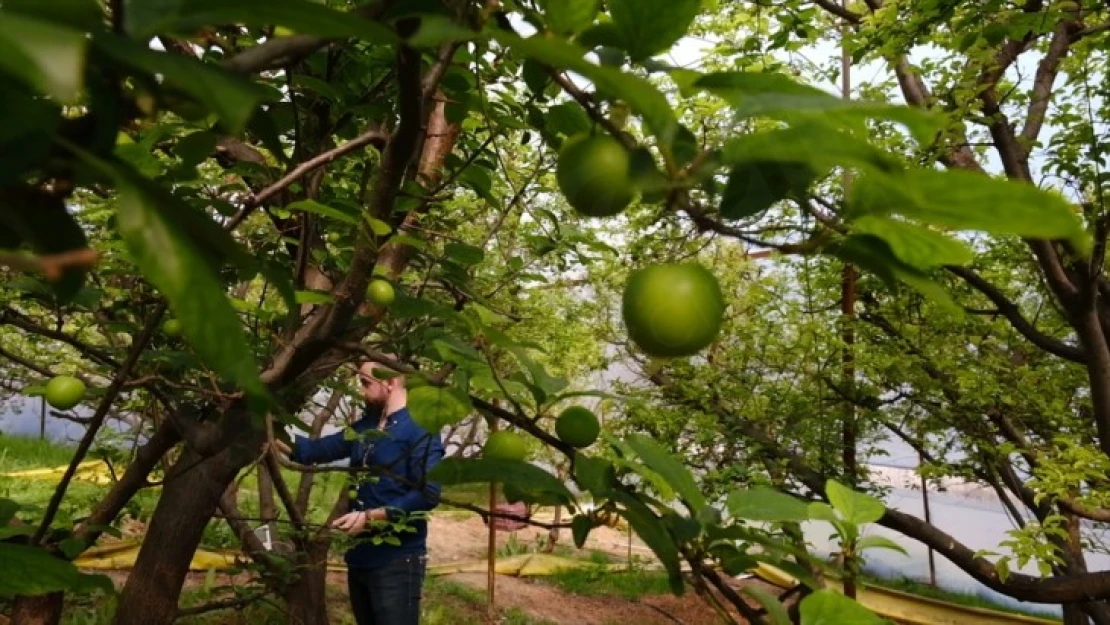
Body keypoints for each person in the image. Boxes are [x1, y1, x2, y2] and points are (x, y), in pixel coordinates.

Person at [272, 359, 445, 625]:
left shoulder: (421, 428)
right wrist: (264, 429)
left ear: (390, 382)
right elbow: (314, 451)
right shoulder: (366, 427)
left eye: (366, 383)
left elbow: (428, 493)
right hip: (360, 557)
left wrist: (370, 517)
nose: (361, 391)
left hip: (397, 560)